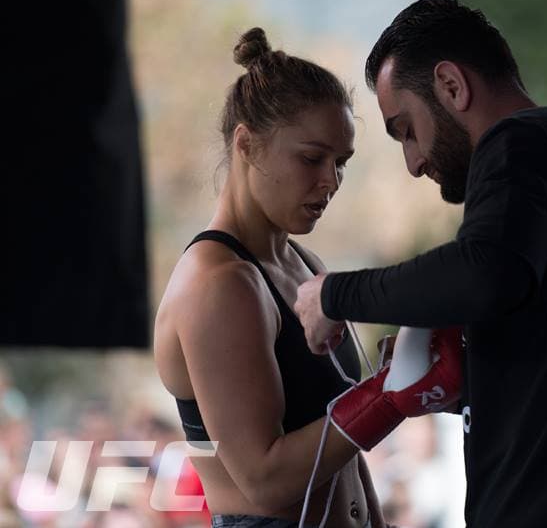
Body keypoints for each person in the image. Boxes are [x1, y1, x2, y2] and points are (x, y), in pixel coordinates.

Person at [294, 0, 547, 527]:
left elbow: (484, 272)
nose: (413, 162)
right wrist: (465, 373)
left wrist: (335, 295)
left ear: (452, 86)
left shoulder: (522, 143)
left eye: (406, 129)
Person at [154, 27, 438, 528]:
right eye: (311, 158)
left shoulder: (304, 265)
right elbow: (264, 483)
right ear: (246, 144)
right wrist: (389, 395)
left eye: (341, 162)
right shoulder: (219, 283)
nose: (330, 181)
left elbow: (340, 460)